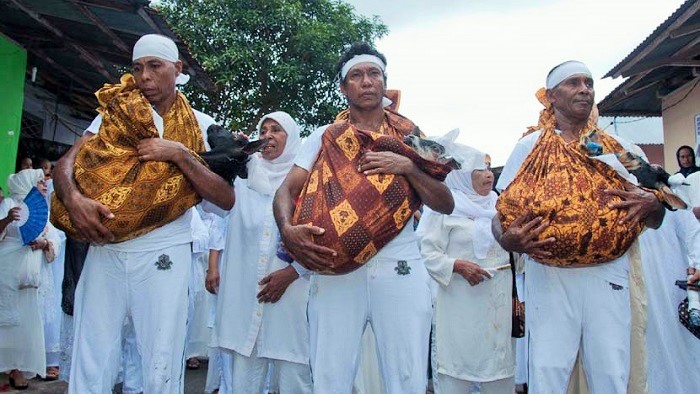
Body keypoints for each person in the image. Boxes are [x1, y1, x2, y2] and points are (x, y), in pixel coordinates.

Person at [52, 34, 234, 393]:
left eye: (155, 66)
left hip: (164, 252)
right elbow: (64, 166)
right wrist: (74, 201)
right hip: (107, 248)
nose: (145, 77)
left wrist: (180, 154)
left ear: (177, 70)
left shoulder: (200, 124)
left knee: (160, 358)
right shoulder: (115, 114)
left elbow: (226, 199)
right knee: (92, 355)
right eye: (137, 68)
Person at [273, 42, 454, 393]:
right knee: (330, 375)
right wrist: (287, 230)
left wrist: (409, 167)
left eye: (374, 74)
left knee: (407, 375)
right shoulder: (324, 137)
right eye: (356, 76)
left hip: (399, 267)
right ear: (344, 88)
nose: (367, 81)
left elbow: (445, 203)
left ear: (385, 83)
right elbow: (285, 190)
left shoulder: (411, 139)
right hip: (336, 270)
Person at [493, 61, 665, 393]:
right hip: (550, 275)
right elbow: (497, 215)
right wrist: (508, 240)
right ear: (552, 97)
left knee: (611, 370)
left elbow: (658, 216)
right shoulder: (529, 148)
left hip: (608, 273)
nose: (584, 89)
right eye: (574, 83)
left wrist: (655, 204)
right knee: (549, 369)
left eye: (588, 83)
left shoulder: (618, 149)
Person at [212, 111, 312, 393]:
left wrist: (293, 273)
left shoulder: (307, 182)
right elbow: (213, 208)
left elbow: (322, 236)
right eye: (263, 130)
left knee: (294, 378)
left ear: (291, 138)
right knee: (245, 381)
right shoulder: (243, 177)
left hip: (292, 296)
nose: (267, 135)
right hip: (248, 298)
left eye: (276, 130)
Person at [418, 140, 515, 394]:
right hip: (459, 304)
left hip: (497, 307)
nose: (489, 174)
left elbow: (518, 252)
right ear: (462, 176)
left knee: (499, 374)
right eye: (480, 169)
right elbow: (426, 251)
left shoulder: (503, 208)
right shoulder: (443, 207)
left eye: (489, 168)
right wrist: (457, 266)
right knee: (455, 374)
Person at [0, 169, 60, 390]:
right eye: (38, 181)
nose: (43, 184)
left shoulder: (41, 208)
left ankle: (20, 365)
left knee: (26, 319)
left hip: (32, 272)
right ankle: (11, 368)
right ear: (26, 183)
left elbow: (52, 238)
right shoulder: (8, 204)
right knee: (7, 319)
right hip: (7, 268)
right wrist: (7, 219)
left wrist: (45, 244)